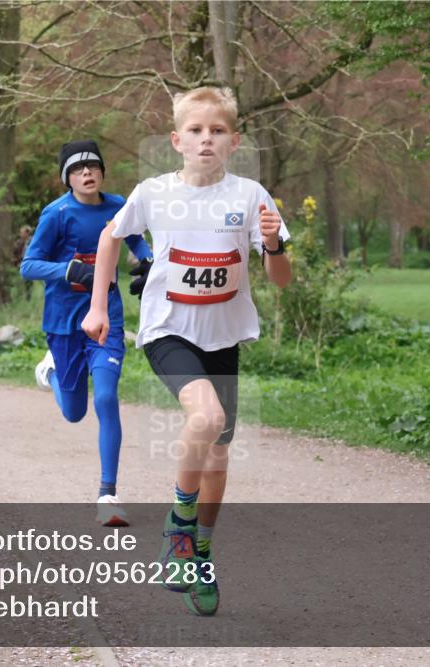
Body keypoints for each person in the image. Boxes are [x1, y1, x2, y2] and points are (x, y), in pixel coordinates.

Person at [81, 87, 292, 616]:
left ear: (234, 142)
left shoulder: (251, 197)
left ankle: (200, 552)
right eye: (196, 131)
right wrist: (98, 307)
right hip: (168, 330)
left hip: (223, 336)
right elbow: (110, 237)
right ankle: (178, 527)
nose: (206, 140)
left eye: (217, 131)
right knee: (208, 417)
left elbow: (281, 279)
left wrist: (273, 244)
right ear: (177, 140)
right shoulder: (154, 193)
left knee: (217, 452)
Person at [20, 139, 153, 526]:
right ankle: (50, 371)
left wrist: (148, 261)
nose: (87, 173)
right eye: (77, 169)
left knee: (107, 398)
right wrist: (66, 270)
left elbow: (135, 239)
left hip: (107, 319)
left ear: (102, 172)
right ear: (68, 178)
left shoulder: (117, 207)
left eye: (93, 166)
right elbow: (28, 265)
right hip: (64, 323)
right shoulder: (56, 214)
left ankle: (107, 494)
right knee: (74, 412)